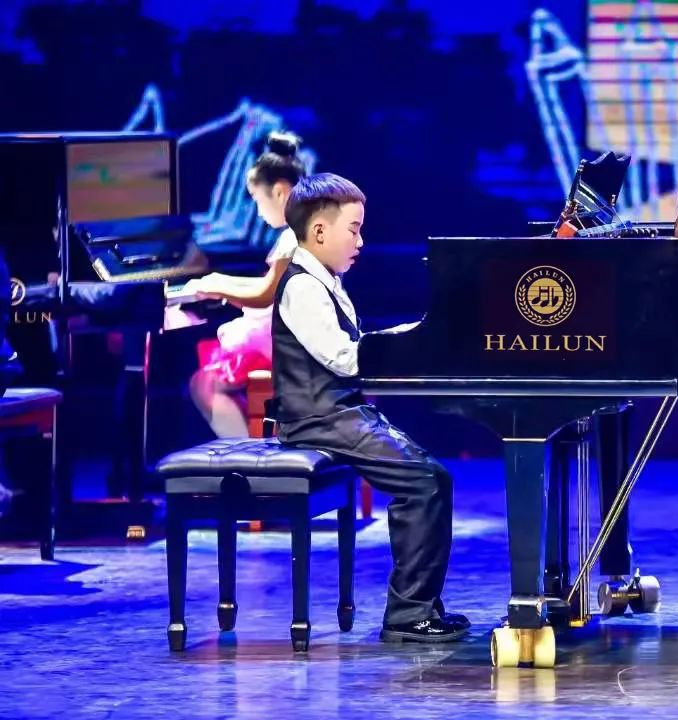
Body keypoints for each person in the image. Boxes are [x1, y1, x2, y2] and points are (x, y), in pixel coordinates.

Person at [273, 172, 468, 643]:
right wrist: (404, 344)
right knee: (425, 482)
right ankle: (407, 614)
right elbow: (343, 358)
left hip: (338, 412)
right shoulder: (302, 286)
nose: (360, 241)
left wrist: (410, 336)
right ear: (320, 231)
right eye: (354, 229)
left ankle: (420, 605)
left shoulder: (324, 280)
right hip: (317, 418)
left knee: (431, 478)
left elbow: (353, 346)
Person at [185, 131, 306, 437]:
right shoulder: (305, 231)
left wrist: (219, 287)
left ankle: (246, 456)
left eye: (257, 200)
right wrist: (220, 282)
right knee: (211, 382)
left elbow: (266, 295)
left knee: (204, 384)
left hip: (292, 346)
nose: (258, 212)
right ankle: (251, 445)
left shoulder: (293, 238)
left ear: (279, 192)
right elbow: (271, 285)